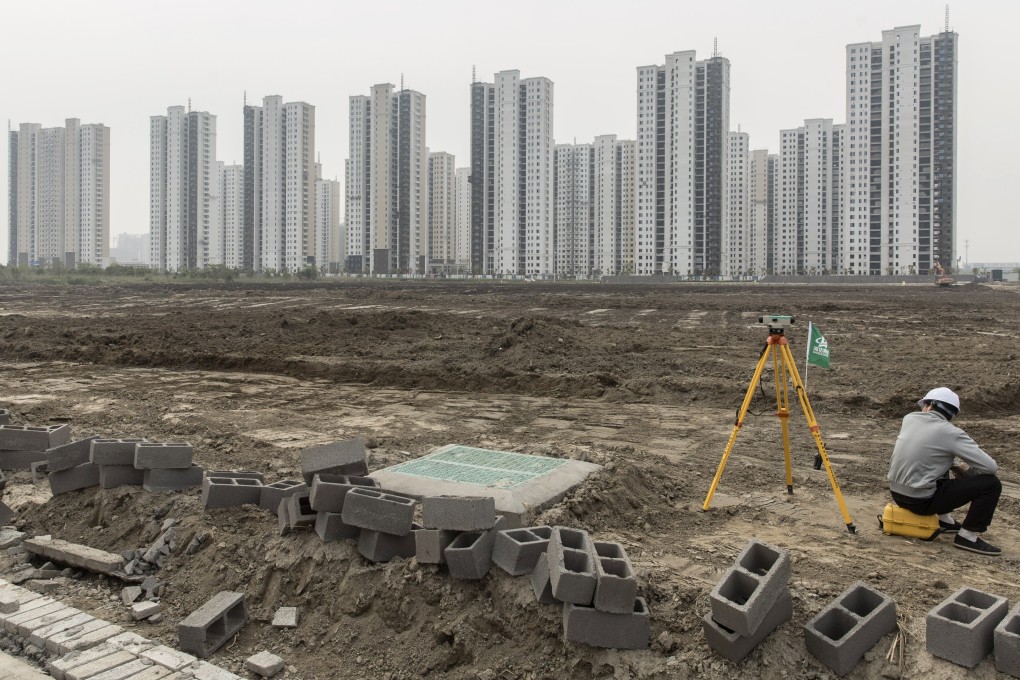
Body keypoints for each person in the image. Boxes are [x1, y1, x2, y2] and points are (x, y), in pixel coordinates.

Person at [887, 387, 1002, 556]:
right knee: (991, 484)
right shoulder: (952, 433)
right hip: (921, 502)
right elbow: (990, 468)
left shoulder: (909, 419)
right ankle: (968, 536)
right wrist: (962, 468)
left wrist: (951, 462)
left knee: (942, 461)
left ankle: (944, 520)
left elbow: (928, 451)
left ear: (930, 405)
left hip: (897, 494)